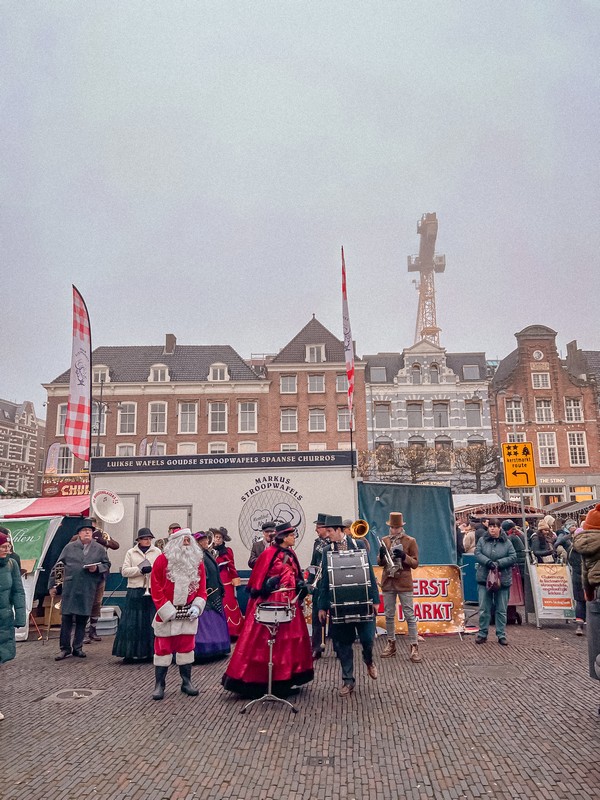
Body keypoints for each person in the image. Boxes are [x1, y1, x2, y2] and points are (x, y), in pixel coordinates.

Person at [222, 521, 313, 698]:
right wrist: (266, 585)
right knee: (265, 642)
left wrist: (301, 586)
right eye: (292, 535)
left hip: (289, 603)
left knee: (288, 643)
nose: (294, 537)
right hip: (270, 603)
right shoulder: (268, 554)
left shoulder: (290, 553)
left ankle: (284, 680)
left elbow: (295, 575)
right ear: (283, 538)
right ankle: (258, 682)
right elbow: (257, 581)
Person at [317, 515, 379, 697]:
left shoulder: (359, 545)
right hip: (339, 605)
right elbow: (325, 581)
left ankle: (368, 660)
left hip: (362, 601)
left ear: (340, 530)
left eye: (330, 531)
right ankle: (348, 680)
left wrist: (375, 600)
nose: (327, 535)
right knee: (343, 643)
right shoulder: (327, 550)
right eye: (326, 531)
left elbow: (369, 572)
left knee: (367, 638)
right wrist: (322, 606)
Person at [150, 527, 207, 700]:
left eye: (189, 541)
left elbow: (202, 589)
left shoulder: (197, 562)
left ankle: (186, 681)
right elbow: (156, 587)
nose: (187, 545)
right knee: (162, 649)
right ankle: (160, 684)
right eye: (184, 541)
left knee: (186, 648)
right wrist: (167, 610)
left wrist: (197, 607)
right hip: (166, 613)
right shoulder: (161, 561)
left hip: (188, 612)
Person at [50, 518, 111, 661]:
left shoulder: (99, 549)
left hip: (88, 587)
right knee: (66, 618)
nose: (87, 533)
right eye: (84, 531)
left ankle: (78, 647)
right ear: (79, 534)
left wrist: (97, 568)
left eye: (89, 531)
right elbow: (59, 566)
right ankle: (64, 649)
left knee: (83, 618)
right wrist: (53, 585)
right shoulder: (69, 547)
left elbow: (107, 564)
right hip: (70, 587)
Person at [378, 512, 422, 663]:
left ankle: (414, 646)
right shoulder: (384, 540)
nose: (394, 530)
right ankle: (391, 643)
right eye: (392, 527)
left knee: (409, 615)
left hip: (403, 582)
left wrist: (404, 556)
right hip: (388, 581)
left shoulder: (410, 541)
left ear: (401, 527)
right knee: (389, 614)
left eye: (396, 527)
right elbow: (380, 563)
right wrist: (381, 554)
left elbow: (415, 564)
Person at [112, 528, 162, 662]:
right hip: (135, 590)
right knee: (132, 623)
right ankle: (130, 653)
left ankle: (151, 652)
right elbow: (125, 571)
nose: (148, 541)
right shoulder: (131, 552)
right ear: (139, 540)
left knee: (150, 622)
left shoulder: (157, 552)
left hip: (151, 590)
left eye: (149, 538)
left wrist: (153, 570)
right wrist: (140, 569)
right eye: (145, 538)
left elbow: (162, 569)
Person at [77, 517, 120, 644]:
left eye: (92, 527)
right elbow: (72, 543)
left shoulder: (102, 535)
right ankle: (83, 631)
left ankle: (93, 630)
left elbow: (116, 546)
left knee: (97, 602)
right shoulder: (78, 537)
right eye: (88, 527)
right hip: (84, 575)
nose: (90, 530)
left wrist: (103, 541)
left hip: (100, 574)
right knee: (85, 602)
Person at [474, 520, 517, 645]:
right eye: (491, 526)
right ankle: (482, 633)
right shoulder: (482, 540)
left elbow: (513, 556)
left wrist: (499, 563)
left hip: (502, 579)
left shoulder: (507, 542)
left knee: (501, 609)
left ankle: (501, 634)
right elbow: (477, 553)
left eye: (495, 527)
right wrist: (487, 562)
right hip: (484, 578)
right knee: (483, 608)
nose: (492, 529)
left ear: (499, 528)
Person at [193, 531, 230, 661]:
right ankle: (203, 648)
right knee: (205, 622)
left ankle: (216, 647)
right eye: (201, 541)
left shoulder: (207, 554)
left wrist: (220, 587)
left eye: (205, 540)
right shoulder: (197, 556)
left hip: (214, 591)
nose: (204, 542)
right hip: (206, 594)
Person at [0, 531, 26, 721]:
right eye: (3, 547)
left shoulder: (11, 564)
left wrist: (20, 616)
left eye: (7, 547)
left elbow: (18, 591)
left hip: (4, 620)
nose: (6, 550)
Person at [573, 504, 600, 680]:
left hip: (596, 591)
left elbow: (585, 572)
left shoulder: (585, 542)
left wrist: (588, 594)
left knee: (597, 644)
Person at [211, 527, 244, 638]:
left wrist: (235, 579)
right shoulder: (209, 550)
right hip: (213, 580)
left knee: (228, 602)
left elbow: (232, 566)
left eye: (220, 538)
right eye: (216, 537)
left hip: (225, 578)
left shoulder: (227, 551)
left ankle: (232, 630)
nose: (218, 540)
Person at [307, 512, 330, 660]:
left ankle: (339, 647)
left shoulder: (333, 543)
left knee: (334, 617)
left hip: (330, 583)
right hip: (318, 583)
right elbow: (313, 563)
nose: (316, 529)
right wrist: (310, 582)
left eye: (318, 527)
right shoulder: (317, 543)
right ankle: (316, 647)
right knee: (316, 616)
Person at [559, 527, 586, 636]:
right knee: (590, 600)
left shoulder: (571, 548)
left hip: (576, 576)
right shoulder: (587, 547)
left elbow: (570, 561)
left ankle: (579, 625)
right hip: (587, 576)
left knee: (579, 601)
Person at [501, 520, 525, 626]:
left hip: (515, 566)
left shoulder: (511, 537)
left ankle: (508, 615)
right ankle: (511, 614)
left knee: (510, 591)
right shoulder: (519, 535)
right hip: (520, 565)